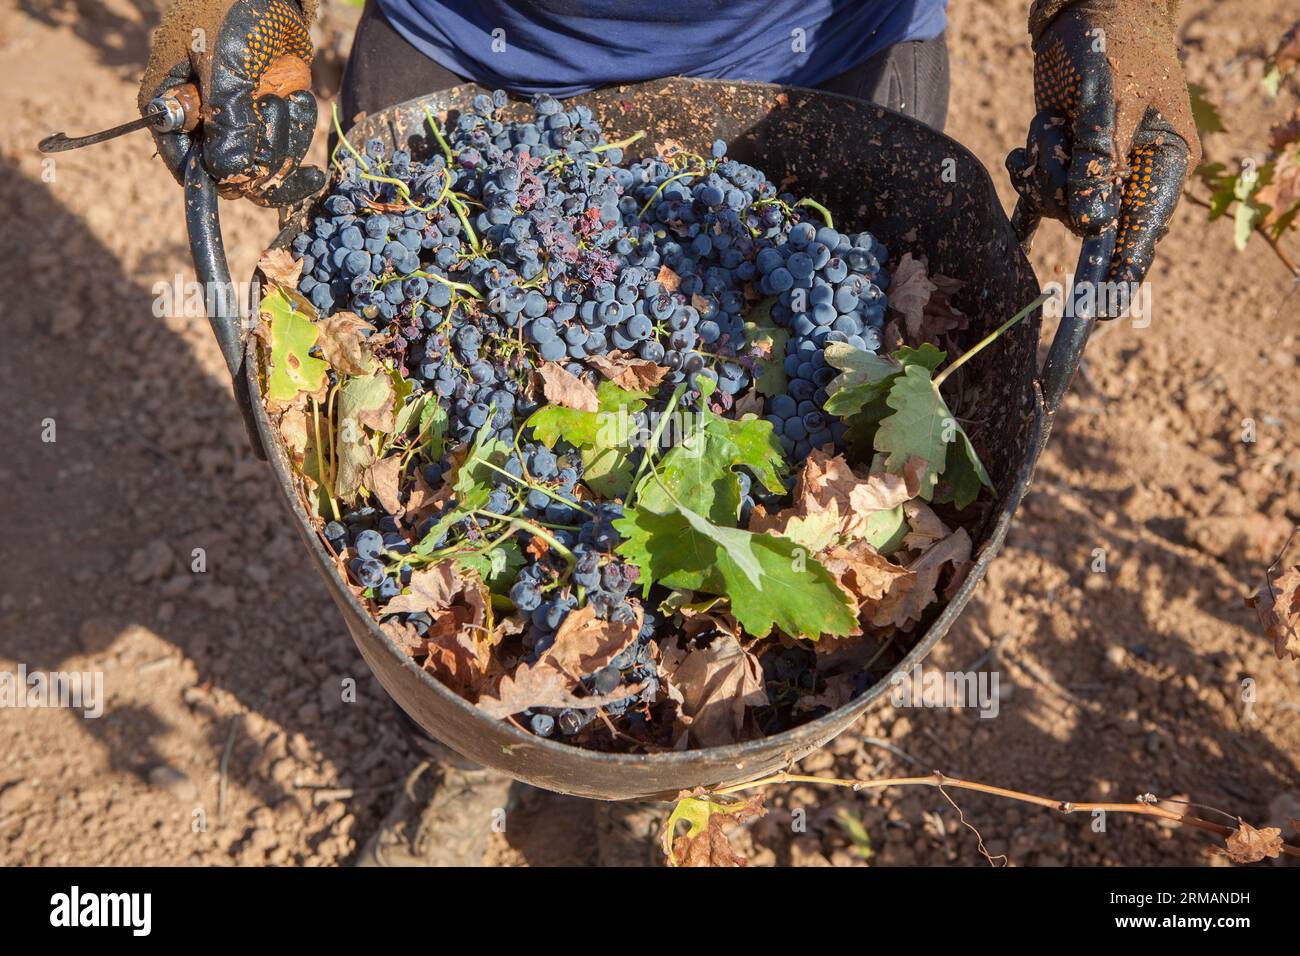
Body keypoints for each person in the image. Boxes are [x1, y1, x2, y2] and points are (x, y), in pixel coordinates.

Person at [136, 0, 1201, 864]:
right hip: (463, 48)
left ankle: (658, 779)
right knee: (428, 500)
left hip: (827, 61)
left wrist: (1108, 19)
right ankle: (465, 750)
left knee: (778, 511)